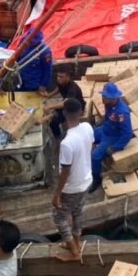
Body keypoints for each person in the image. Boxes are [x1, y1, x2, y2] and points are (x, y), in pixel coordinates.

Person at [53, 98, 94, 262]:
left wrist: (57, 194)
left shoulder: (67, 143)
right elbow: (91, 147)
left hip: (73, 187)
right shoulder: (87, 127)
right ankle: (76, 243)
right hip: (86, 180)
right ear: (81, 113)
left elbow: (65, 172)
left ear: (64, 114)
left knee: (59, 217)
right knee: (77, 212)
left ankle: (75, 252)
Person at [90, 82, 133, 193]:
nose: (103, 98)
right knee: (89, 134)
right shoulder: (108, 103)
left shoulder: (122, 112)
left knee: (95, 156)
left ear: (114, 98)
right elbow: (108, 116)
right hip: (106, 128)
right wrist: (103, 122)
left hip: (113, 136)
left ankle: (96, 178)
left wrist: (115, 147)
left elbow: (127, 133)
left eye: (105, 96)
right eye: (103, 95)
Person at [42, 65, 86, 139]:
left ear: (68, 77)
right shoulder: (61, 82)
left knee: (54, 122)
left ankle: (59, 138)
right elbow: (58, 88)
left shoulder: (72, 88)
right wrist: (49, 95)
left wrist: (49, 106)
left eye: (61, 77)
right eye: (58, 76)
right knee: (54, 111)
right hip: (67, 103)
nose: (58, 78)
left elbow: (64, 104)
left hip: (75, 108)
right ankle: (50, 117)